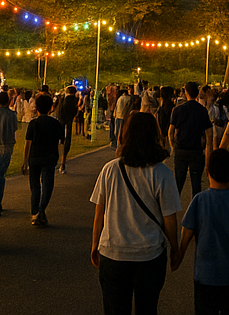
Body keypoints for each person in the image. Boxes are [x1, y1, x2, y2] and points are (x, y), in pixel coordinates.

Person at [90, 111, 181, 315]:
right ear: (154, 136)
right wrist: (175, 248)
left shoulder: (110, 169)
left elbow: (99, 213)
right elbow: (169, 219)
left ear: (125, 134)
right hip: (149, 256)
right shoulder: (162, 173)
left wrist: (95, 245)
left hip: (113, 253)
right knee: (147, 308)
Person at [176, 147, 229, 315]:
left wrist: (178, 256)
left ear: (207, 172)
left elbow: (186, 233)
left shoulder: (199, 200)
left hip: (205, 276)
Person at [22, 91, 65, 226]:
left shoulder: (33, 123)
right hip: (50, 157)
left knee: (35, 187)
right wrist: (62, 159)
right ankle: (41, 209)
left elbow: (28, 143)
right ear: (50, 108)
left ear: (37, 108)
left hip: (34, 157)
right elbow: (61, 142)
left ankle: (34, 212)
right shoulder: (56, 123)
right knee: (47, 185)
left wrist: (25, 161)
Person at [170, 81, 214, 198]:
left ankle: (174, 205)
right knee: (196, 183)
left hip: (181, 149)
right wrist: (208, 151)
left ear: (186, 92)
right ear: (197, 93)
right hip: (196, 150)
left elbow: (170, 132)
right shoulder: (202, 110)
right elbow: (209, 133)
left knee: (178, 181)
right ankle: (196, 205)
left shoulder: (178, 110)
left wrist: (173, 145)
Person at [56, 83, 80, 172]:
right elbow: (75, 112)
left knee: (60, 141)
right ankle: (63, 163)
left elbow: (58, 110)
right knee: (67, 142)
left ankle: (58, 161)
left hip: (61, 122)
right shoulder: (74, 101)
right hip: (69, 123)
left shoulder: (63, 100)